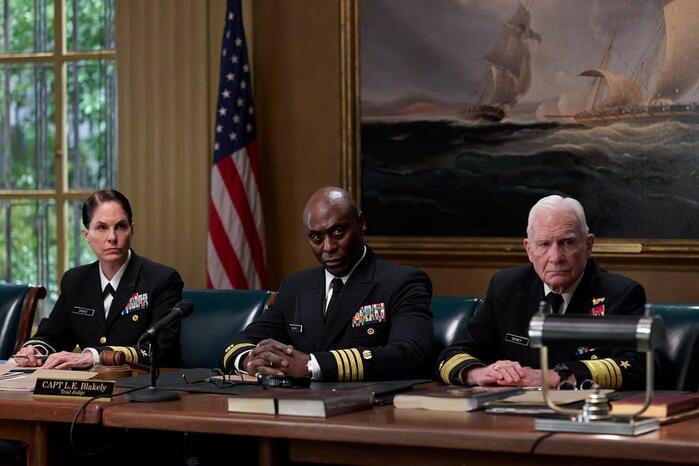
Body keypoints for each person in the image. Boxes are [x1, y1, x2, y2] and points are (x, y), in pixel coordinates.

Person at [221, 186, 433, 381]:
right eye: (316, 237)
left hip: (365, 402)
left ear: (361, 223)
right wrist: (250, 361)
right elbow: (239, 344)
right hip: (298, 403)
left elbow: (411, 352)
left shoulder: (401, 282)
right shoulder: (296, 286)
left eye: (338, 232)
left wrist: (311, 366)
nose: (328, 247)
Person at [438, 195, 647, 390]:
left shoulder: (620, 294)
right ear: (529, 250)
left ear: (588, 245)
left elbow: (638, 366)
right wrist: (481, 373)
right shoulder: (506, 287)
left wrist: (554, 377)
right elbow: (453, 354)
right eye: (544, 244)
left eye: (567, 242)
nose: (555, 257)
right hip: (512, 411)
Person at [14, 189, 184, 369]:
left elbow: (162, 349)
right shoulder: (75, 281)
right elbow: (54, 335)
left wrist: (95, 356)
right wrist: (35, 350)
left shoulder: (161, 280)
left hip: (141, 382)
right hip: (89, 384)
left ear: (131, 230)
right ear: (86, 235)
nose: (112, 237)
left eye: (120, 226)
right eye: (102, 227)